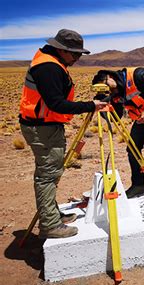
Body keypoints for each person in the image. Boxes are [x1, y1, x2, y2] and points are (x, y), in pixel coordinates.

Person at [19, 29, 107, 239]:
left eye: (79, 54)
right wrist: (91, 105)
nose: (77, 58)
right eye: (74, 54)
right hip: (42, 128)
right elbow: (57, 104)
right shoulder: (48, 67)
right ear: (61, 49)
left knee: (50, 173)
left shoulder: (50, 61)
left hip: (44, 125)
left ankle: (52, 214)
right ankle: (49, 224)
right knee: (48, 176)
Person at [92, 67, 144, 204]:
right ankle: (138, 185)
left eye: (106, 86)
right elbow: (115, 117)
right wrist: (103, 103)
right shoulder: (116, 92)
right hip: (142, 118)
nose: (108, 90)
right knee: (132, 149)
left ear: (109, 77)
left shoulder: (137, 75)